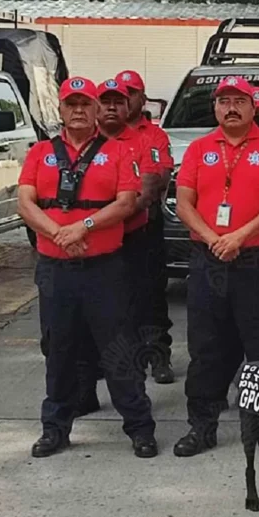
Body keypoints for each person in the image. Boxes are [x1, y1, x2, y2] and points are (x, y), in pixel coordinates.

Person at [17, 77, 157, 459]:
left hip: (103, 269)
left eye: (85, 104)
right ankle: (55, 429)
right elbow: (25, 203)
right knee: (59, 350)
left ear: (96, 109)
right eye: (71, 104)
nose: (78, 110)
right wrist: (59, 234)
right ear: (61, 110)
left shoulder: (118, 152)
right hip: (56, 270)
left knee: (118, 349)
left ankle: (140, 428)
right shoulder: (40, 152)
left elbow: (126, 202)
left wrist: (84, 227)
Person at [173, 76, 259, 456]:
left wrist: (238, 237)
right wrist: (214, 238)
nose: (231, 108)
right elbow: (184, 203)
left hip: (256, 262)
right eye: (224, 101)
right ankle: (202, 425)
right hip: (208, 259)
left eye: (239, 101)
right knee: (207, 347)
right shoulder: (198, 149)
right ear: (215, 107)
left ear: (253, 107)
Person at [116, 69, 175, 384]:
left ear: (142, 97)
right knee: (113, 296)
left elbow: (156, 181)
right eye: (119, 94)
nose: (125, 99)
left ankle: (157, 355)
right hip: (107, 231)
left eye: (131, 93)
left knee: (150, 295)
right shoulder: (102, 133)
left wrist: (120, 204)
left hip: (144, 228)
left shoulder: (154, 136)